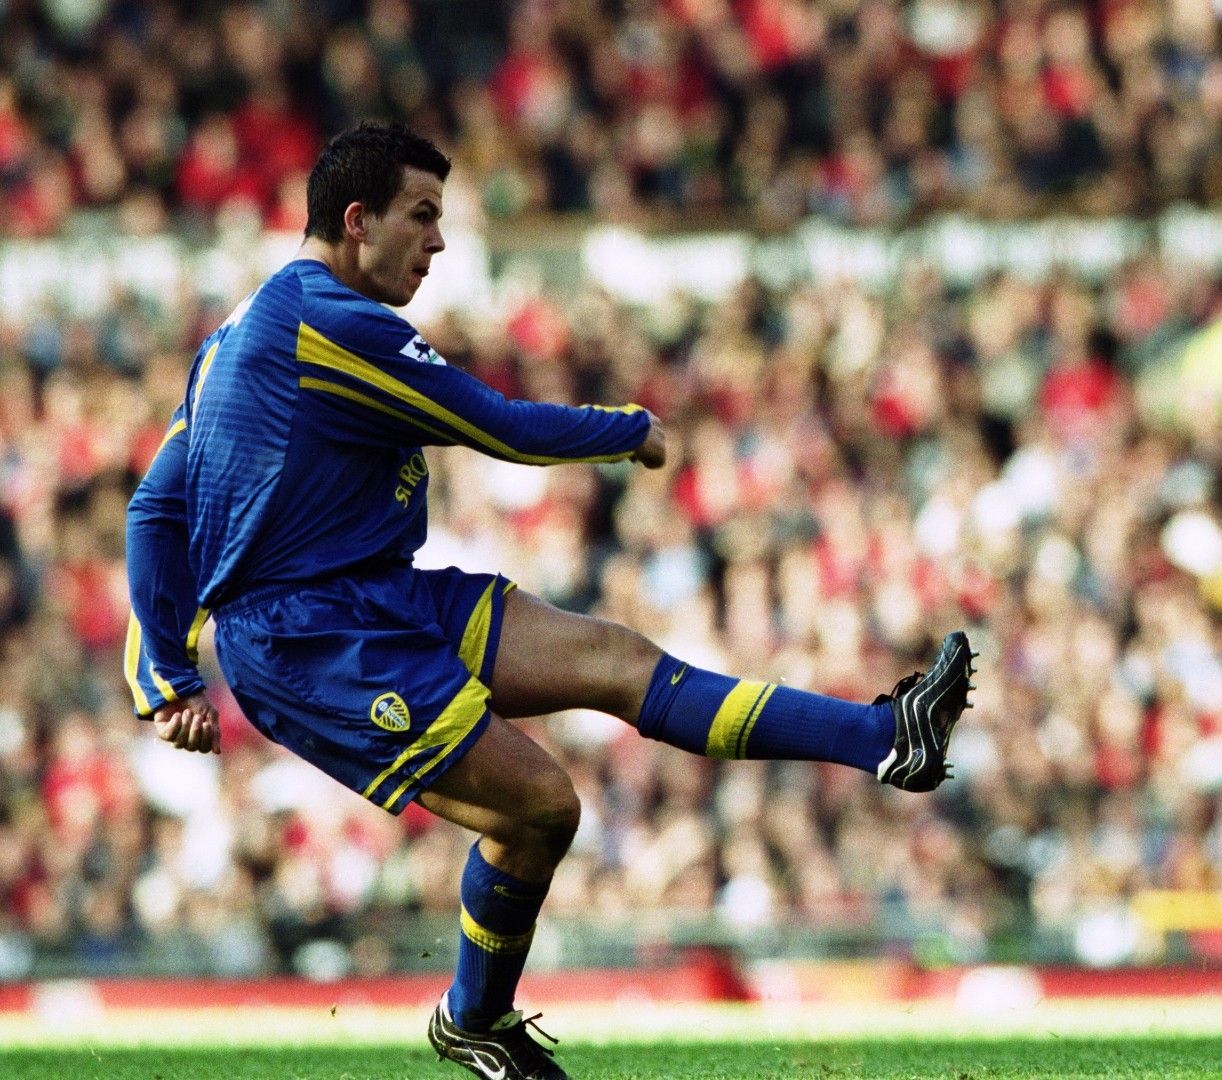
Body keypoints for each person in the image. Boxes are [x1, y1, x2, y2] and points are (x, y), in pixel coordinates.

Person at [123, 121, 976, 1080]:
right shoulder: (333, 324)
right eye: (422, 215)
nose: (439, 241)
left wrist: (161, 672)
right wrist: (627, 428)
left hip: (380, 594)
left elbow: (158, 506)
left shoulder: (237, 333)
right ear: (357, 221)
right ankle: (475, 1019)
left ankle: (888, 737)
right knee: (541, 807)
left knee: (616, 659)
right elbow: (502, 428)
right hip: (311, 642)